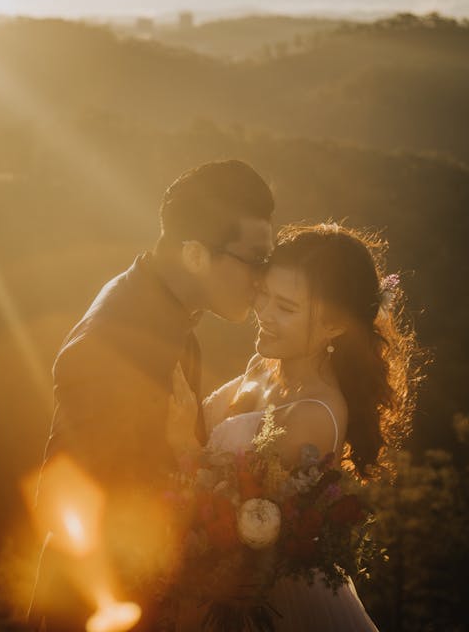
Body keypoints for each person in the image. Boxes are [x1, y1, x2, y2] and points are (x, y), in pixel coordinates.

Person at [27, 160, 274, 631]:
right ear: (196, 255)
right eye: (255, 261)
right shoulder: (116, 345)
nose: (263, 278)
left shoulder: (165, 310)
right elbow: (89, 509)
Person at [169, 222, 419, 631]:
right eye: (263, 295)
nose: (263, 315)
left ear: (335, 326)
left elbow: (230, 529)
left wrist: (180, 440)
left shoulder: (313, 416)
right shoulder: (264, 365)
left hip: (273, 609)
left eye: (285, 308)